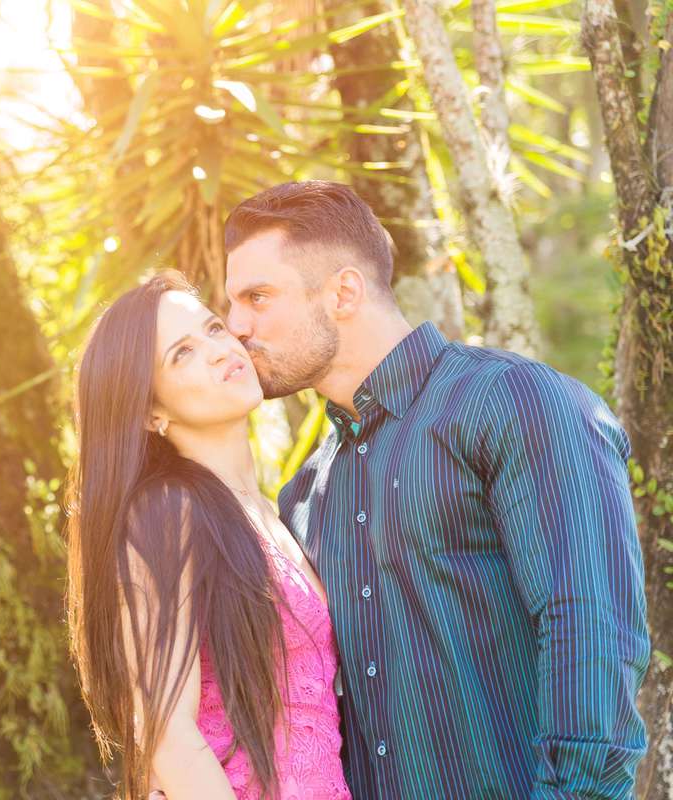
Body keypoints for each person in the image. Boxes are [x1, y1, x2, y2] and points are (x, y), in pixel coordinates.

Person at [222, 180, 650, 798]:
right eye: (233, 302)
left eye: (258, 296)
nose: (236, 324)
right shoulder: (304, 494)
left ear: (344, 291)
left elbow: (591, 629)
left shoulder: (517, 403)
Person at [66, 271, 351, 799]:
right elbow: (166, 736)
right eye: (182, 353)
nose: (220, 351)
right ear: (150, 411)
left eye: (215, 329)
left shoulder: (275, 513)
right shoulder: (167, 512)